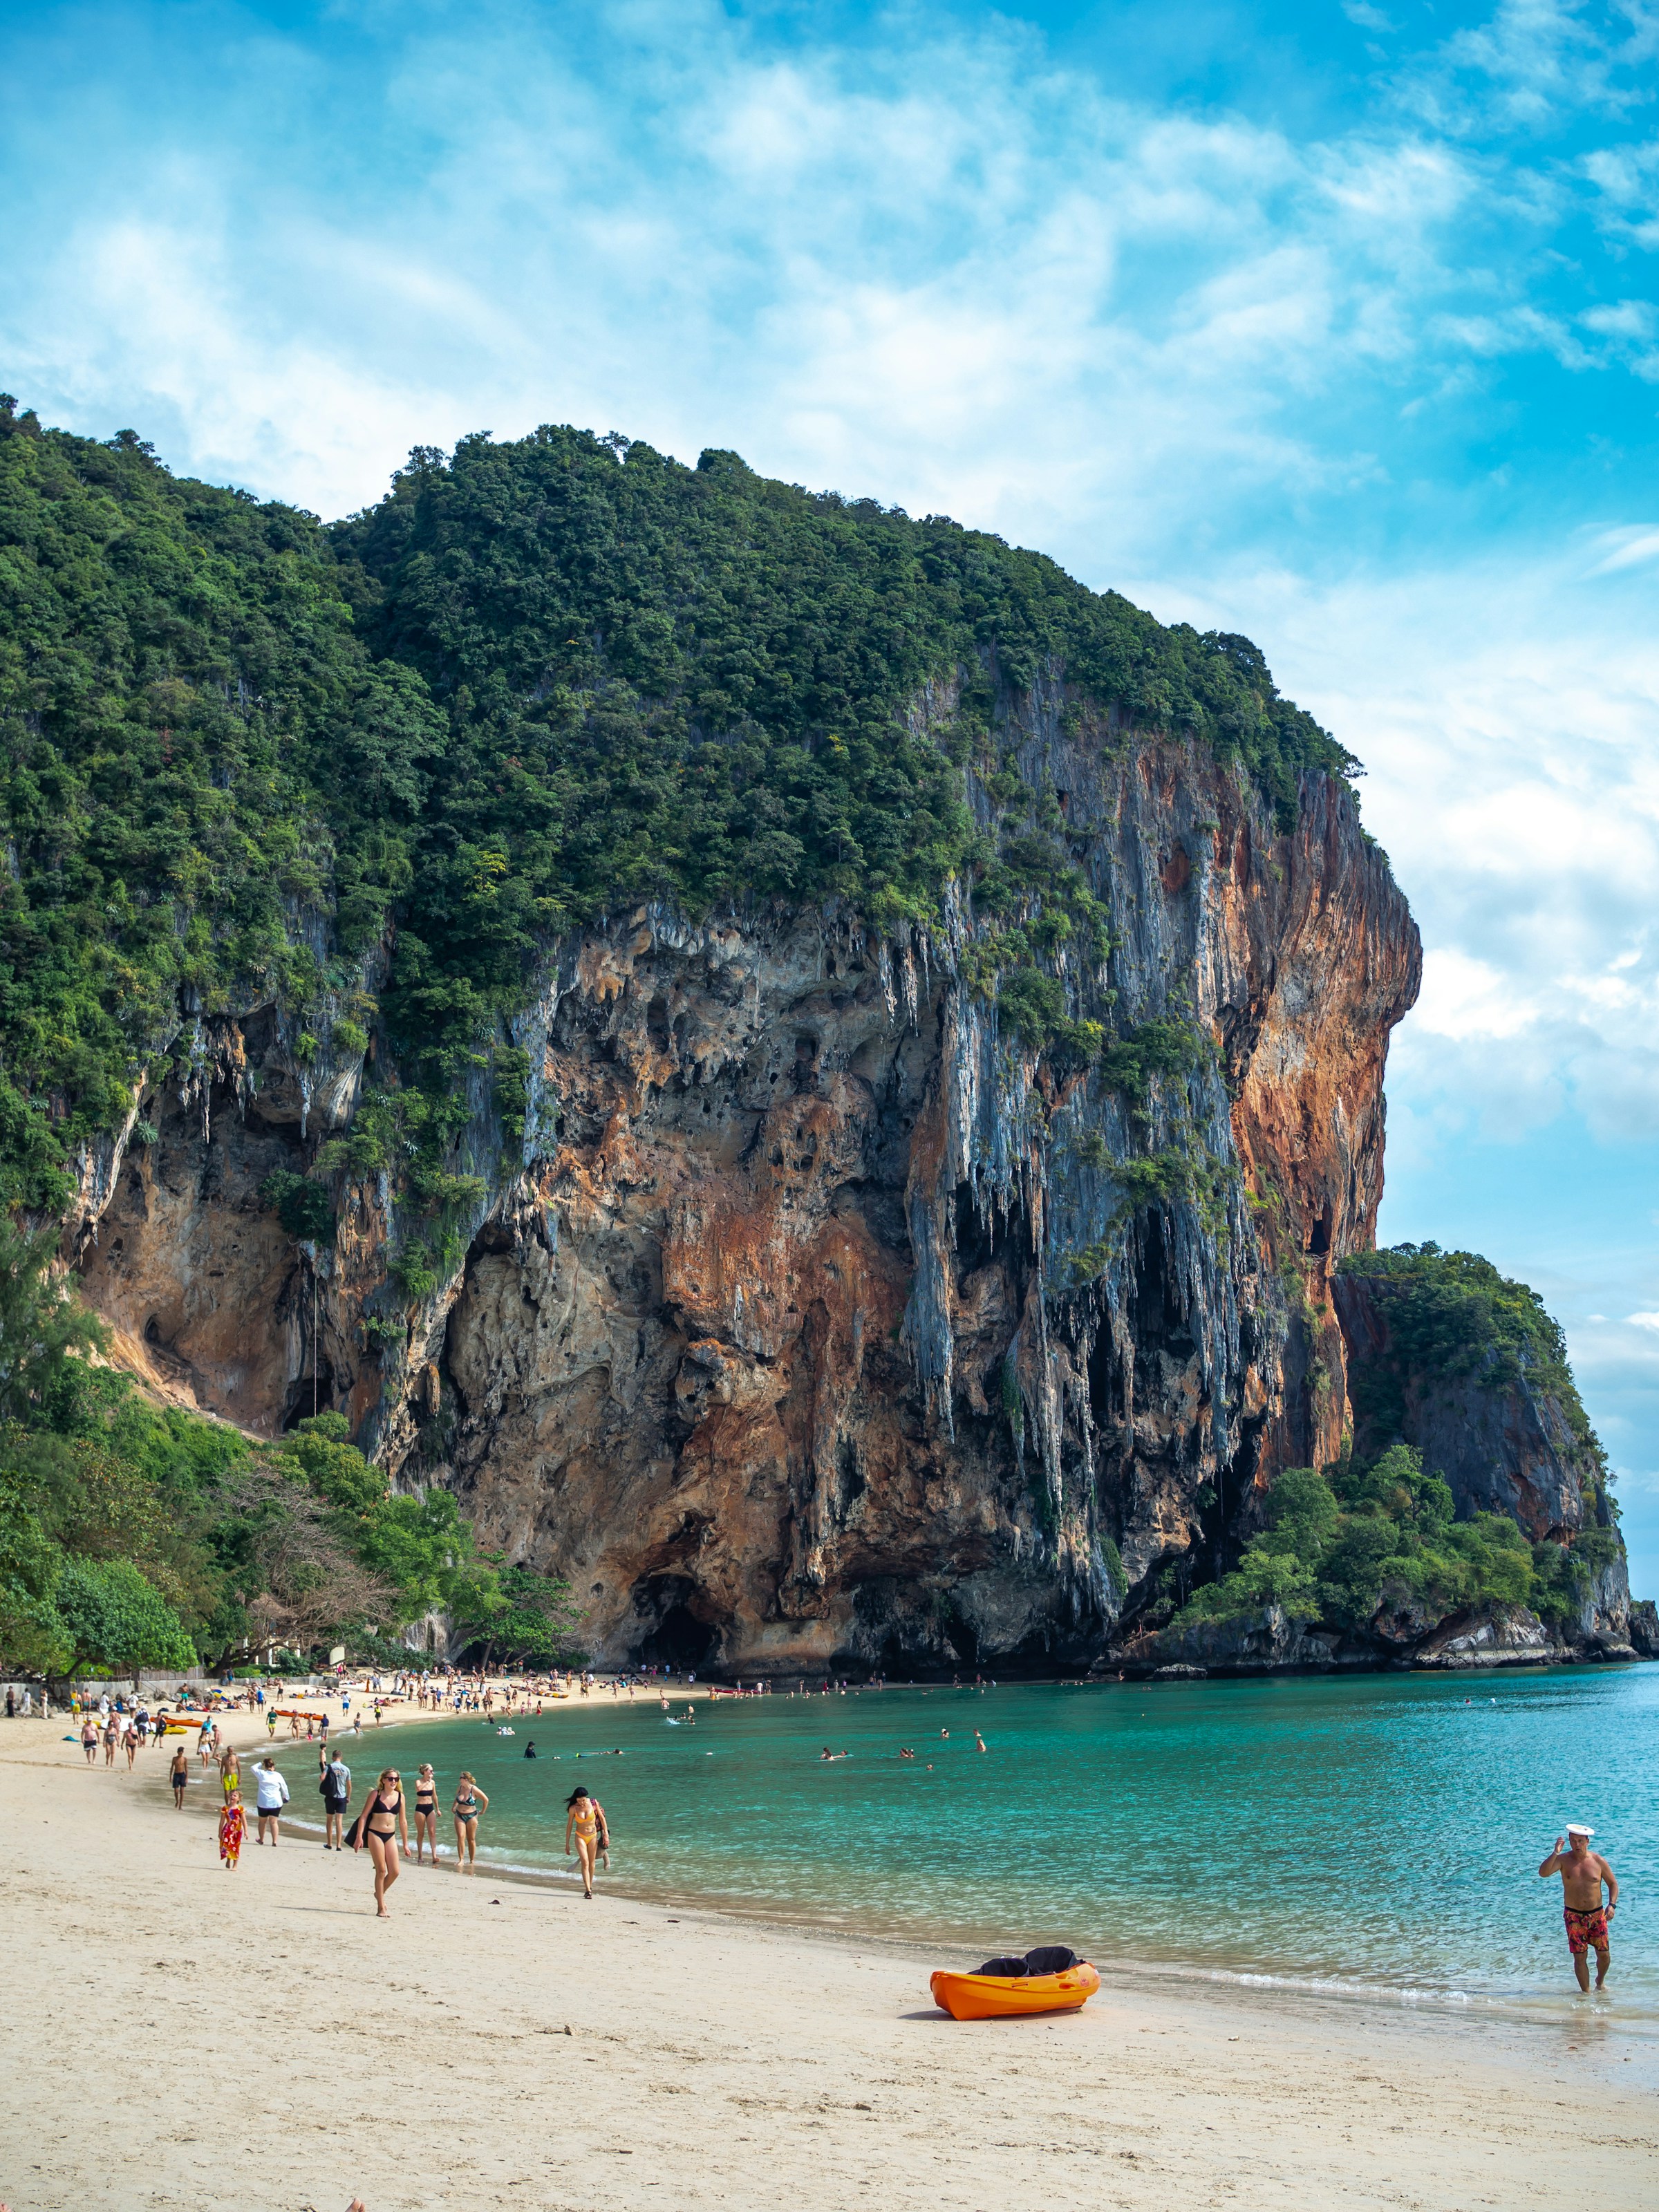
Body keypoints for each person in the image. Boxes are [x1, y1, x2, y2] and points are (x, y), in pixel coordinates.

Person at [1539, 1824, 1620, 1991]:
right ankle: (1586, 1994)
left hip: (1597, 1915)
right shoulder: (1562, 1860)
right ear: (1569, 1841)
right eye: (1573, 1841)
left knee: (1604, 1955)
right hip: (1573, 1916)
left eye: (1580, 1841)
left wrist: (1612, 1905)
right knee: (1580, 1957)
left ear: (1587, 1841)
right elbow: (1543, 1873)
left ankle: (1600, 1982)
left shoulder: (1598, 1861)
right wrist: (1555, 1852)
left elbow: (1613, 1884)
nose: (1577, 1845)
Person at [357, 1768, 409, 1916]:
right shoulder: (376, 1794)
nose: (393, 1781)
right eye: (390, 1779)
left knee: (395, 1871)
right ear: (384, 1780)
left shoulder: (401, 1797)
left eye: (396, 1779)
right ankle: (381, 1907)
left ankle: (378, 1893)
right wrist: (360, 1837)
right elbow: (364, 1817)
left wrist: (405, 1844)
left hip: (390, 1835)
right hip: (375, 1834)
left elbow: (403, 1821)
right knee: (381, 1870)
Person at [565, 1785, 607, 1898]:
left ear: (586, 1797)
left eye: (583, 1800)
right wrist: (567, 1844)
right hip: (580, 1837)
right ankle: (588, 1890)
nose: (582, 1803)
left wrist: (605, 1834)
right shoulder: (573, 1808)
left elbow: (602, 1819)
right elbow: (569, 1826)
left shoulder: (593, 1803)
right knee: (585, 1861)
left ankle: (589, 1886)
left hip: (593, 1836)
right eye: (579, 1801)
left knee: (592, 1863)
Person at [452, 1772, 489, 1871]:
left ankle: (472, 1860)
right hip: (459, 1815)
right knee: (461, 1837)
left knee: (471, 1839)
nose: (459, 1779)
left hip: (472, 1815)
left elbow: (486, 1800)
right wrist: (454, 1807)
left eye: (461, 1777)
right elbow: (457, 1798)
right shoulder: (460, 1788)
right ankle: (461, 1859)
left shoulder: (474, 1789)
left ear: (466, 1779)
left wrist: (483, 1811)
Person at [255, 1756, 290, 1844]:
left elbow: (253, 1768)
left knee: (262, 1822)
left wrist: (261, 1763)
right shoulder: (278, 1775)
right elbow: (284, 1787)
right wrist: (286, 1797)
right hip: (276, 1802)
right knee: (274, 1822)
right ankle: (274, 1842)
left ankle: (261, 1840)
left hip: (263, 1802)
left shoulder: (261, 1773)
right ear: (273, 1767)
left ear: (265, 1767)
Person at [321, 1750, 352, 1850]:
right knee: (339, 1821)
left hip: (331, 1797)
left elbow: (322, 1778)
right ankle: (338, 1845)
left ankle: (329, 1844)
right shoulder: (346, 1769)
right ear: (341, 1758)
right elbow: (349, 1786)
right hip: (342, 1797)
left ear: (333, 1757)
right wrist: (348, 1797)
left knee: (329, 1820)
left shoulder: (328, 1767)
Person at [412, 1764, 440, 1864]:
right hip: (420, 1809)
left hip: (430, 1808)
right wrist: (427, 1781)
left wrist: (438, 1809)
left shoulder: (432, 1782)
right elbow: (419, 1789)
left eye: (432, 1771)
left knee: (432, 1833)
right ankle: (420, 1856)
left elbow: (435, 1796)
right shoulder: (419, 1781)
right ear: (425, 1771)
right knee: (421, 1833)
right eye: (430, 1771)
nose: (432, 1773)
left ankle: (434, 1856)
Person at [218, 1788, 246, 1871]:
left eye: (235, 1795)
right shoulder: (225, 1808)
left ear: (239, 1798)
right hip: (227, 1830)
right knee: (226, 1846)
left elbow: (244, 1821)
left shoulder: (240, 1809)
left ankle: (235, 1865)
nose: (232, 1797)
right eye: (231, 1795)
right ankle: (228, 1859)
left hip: (237, 1831)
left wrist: (246, 1832)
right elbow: (222, 1821)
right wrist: (220, 1832)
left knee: (236, 1847)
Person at [169, 1743, 189, 1807]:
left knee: (182, 1791)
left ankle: (180, 1805)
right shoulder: (174, 1759)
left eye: (181, 1753)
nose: (180, 1754)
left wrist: (187, 1778)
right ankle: (177, 1801)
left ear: (182, 1753)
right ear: (177, 1752)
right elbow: (172, 1767)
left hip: (182, 1775)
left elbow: (186, 1768)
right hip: (176, 1775)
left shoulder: (185, 1759)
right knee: (176, 1791)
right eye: (179, 1753)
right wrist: (170, 1776)